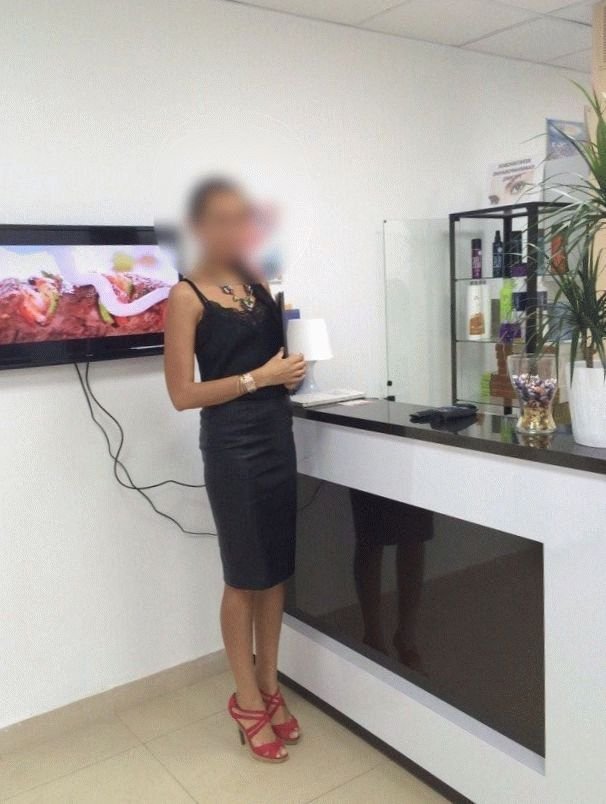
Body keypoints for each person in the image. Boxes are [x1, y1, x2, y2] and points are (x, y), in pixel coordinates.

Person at [163, 178, 306, 764]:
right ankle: (245, 700)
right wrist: (257, 379)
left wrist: (288, 375)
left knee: (275, 572)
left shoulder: (258, 283)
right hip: (232, 446)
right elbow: (181, 394)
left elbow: (277, 364)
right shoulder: (186, 295)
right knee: (244, 575)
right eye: (220, 219)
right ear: (199, 227)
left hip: (276, 435)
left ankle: (270, 687)